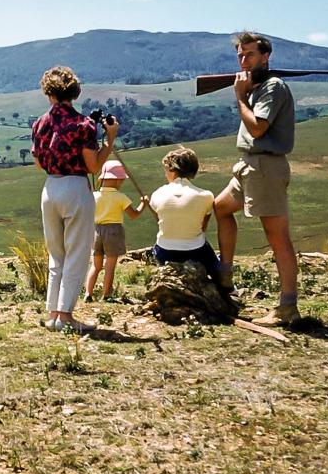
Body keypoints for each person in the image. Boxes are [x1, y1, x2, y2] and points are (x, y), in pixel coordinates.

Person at [213, 32, 301, 327]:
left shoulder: (273, 86)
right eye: (240, 55)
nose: (243, 60)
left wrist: (240, 96)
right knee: (221, 207)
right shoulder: (257, 84)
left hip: (265, 166)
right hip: (249, 165)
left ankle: (288, 307)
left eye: (249, 54)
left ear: (266, 57)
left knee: (278, 238)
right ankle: (225, 274)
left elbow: (258, 128)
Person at [31, 66, 117, 333]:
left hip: (50, 187)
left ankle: (54, 313)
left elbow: (37, 162)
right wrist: (109, 140)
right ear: (74, 93)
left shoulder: (39, 124)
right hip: (76, 188)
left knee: (56, 255)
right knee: (77, 254)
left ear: (49, 94)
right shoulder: (84, 125)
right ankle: (66, 315)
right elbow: (93, 167)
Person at [150, 147, 222, 285]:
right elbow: (202, 227)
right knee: (212, 261)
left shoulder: (157, 194)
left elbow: (161, 219)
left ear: (172, 170)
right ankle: (228, 287)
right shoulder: (206, 196)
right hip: (194, 251)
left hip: (164, 251)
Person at [84, 160, 149, 302]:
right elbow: (134, 214)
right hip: (113, 230)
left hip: (96, 231)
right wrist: (143, 204)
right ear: (118, 180)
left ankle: (88, 293)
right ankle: (107, 294)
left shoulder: (94, 196)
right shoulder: (120, 197)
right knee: (110, 265)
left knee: (96, 265)